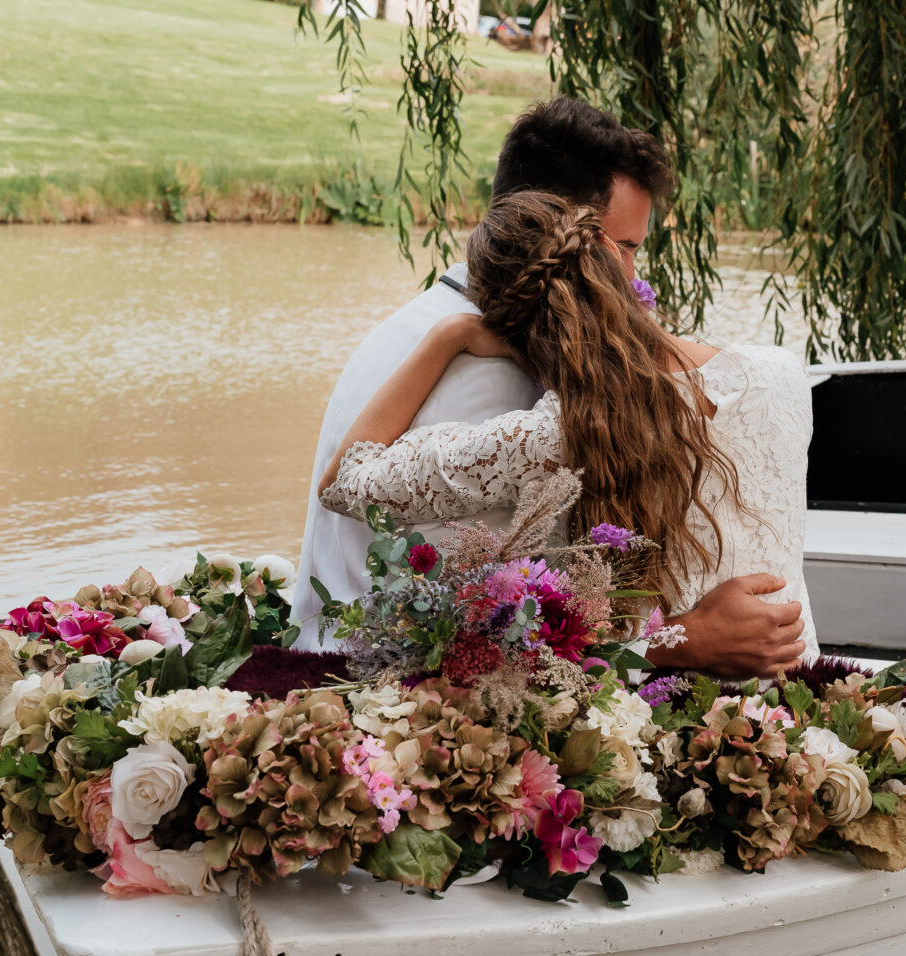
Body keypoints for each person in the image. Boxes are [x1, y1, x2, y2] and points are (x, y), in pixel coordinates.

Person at [293, 97, 808, 677]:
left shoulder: (413, 328)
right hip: (400, 689)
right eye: (629, 248)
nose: (636, 276)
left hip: (332, 652)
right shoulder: (521, 386)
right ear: (580, 242)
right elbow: (525, 631)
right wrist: (680, 641)